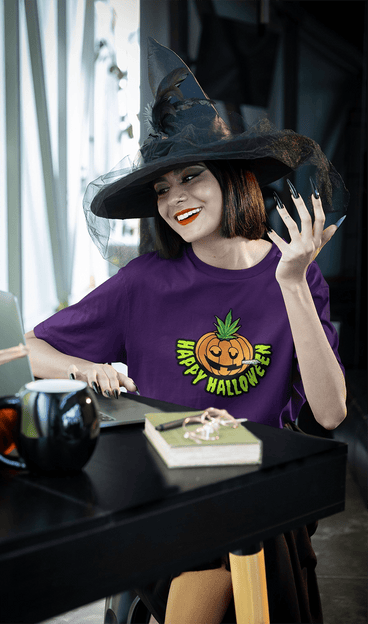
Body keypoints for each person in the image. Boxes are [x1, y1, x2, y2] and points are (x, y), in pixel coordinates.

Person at [25, 39, 348, 624]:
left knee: (227, 537)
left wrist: (295, 284)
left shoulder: (294, 273)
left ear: (231, 177)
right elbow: (32, 348)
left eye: (191, 178)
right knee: (204, 544)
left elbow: (329, 414)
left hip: (256, 495)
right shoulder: (145, 282)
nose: (175, 200)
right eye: (163, 188)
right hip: (161, 492)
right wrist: (84, 368)